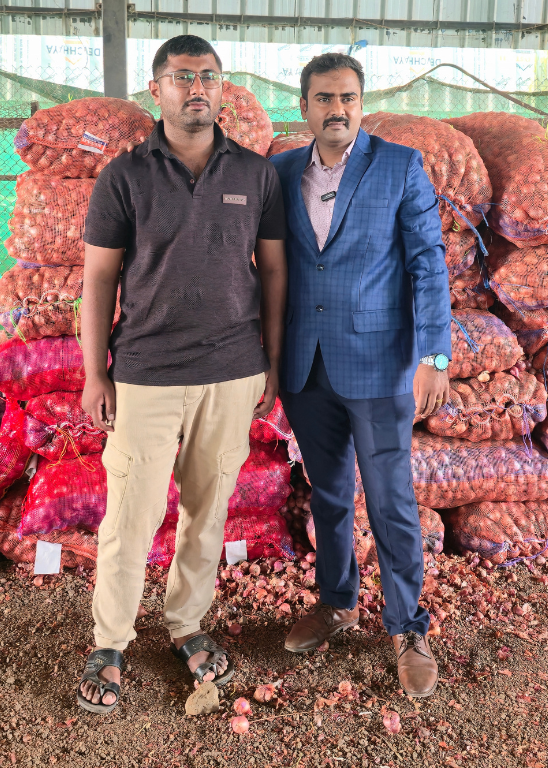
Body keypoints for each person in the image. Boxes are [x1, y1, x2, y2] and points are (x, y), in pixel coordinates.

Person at [76, 34, 288, 713]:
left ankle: (187, 625)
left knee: (207, 512)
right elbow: (99, 278)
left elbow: (275, 272)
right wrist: (94, 374)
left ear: (223, 90)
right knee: (131, 517)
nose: (196, 88)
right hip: (146, 372)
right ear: (156, 89)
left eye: (209, 77)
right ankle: (110, 640)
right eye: (181, 76)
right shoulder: (125, 177)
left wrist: (271, 364)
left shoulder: (255, 175)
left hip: (232, 371)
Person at [269, 53, 449, 698]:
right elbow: (270, 268)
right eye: (323, 98)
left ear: (361, 103)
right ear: (305, 108)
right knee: (328, 493)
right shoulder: (281, 170)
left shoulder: (398, 165)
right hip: (305, 363)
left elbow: (429, 262)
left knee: (392, 500)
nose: (336, 109)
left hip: (378, 362)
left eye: (346, 97)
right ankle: (337, 600)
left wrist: (435, 356)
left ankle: (407, 627)